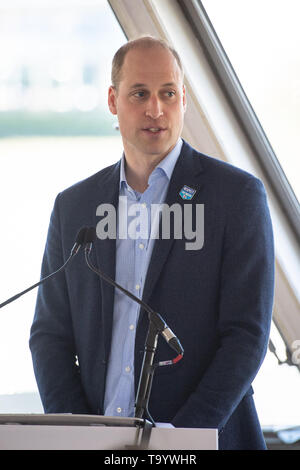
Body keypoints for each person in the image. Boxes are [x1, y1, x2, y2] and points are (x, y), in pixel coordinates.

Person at [29, 36, 275, 450]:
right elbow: (49, 335)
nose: (155, 109)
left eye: (168, 93)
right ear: (113, 99)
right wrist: (76, 432)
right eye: (139, 93)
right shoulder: (74, 207)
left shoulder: (236, 197)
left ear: (184, 100)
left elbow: (247, 337)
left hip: (198, 442)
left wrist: (177, 440)